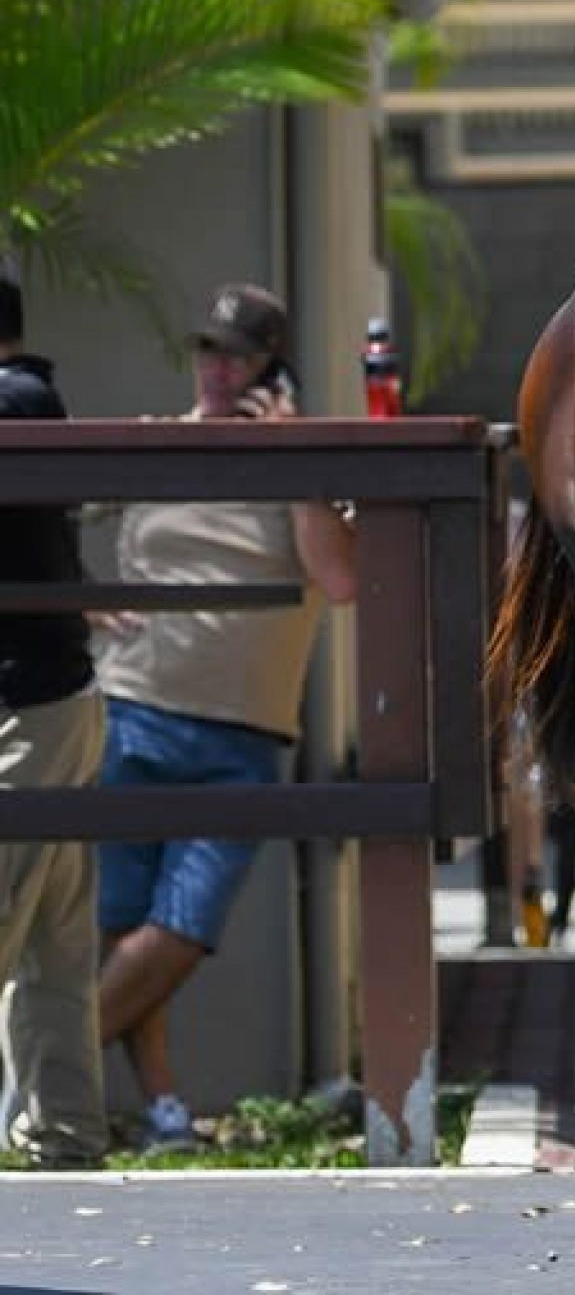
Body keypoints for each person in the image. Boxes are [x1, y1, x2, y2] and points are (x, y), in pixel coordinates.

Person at [92, 282, 357, 1150]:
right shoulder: (151, 444)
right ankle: (163, 1108)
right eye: (208, 350)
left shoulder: (299, 465)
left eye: (237, 354)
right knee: (123, 928)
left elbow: (345, 579)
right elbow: (42, 517)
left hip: (241, 733)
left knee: (180, 930)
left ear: (269, 368)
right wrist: (78, 604)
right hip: (131, 707)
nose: (218, 368)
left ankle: (46, 1069)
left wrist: (293, 457)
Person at [0, 273, 110, 1169]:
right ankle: (65, 1129)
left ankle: (63, 1127)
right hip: (53, 699)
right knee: (53, 947)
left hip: (32, 707)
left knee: (25, 933)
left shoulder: (23, 395)